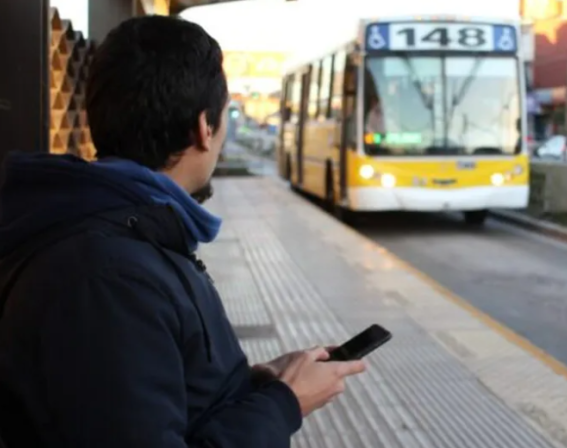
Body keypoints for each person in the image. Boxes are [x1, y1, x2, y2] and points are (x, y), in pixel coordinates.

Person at [0, 15, 365, 448]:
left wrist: (250, 384)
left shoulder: (120, 234)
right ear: (204, 128)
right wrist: (286, 403)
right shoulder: (109, 275)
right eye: (225, 118)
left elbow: (134, 390)